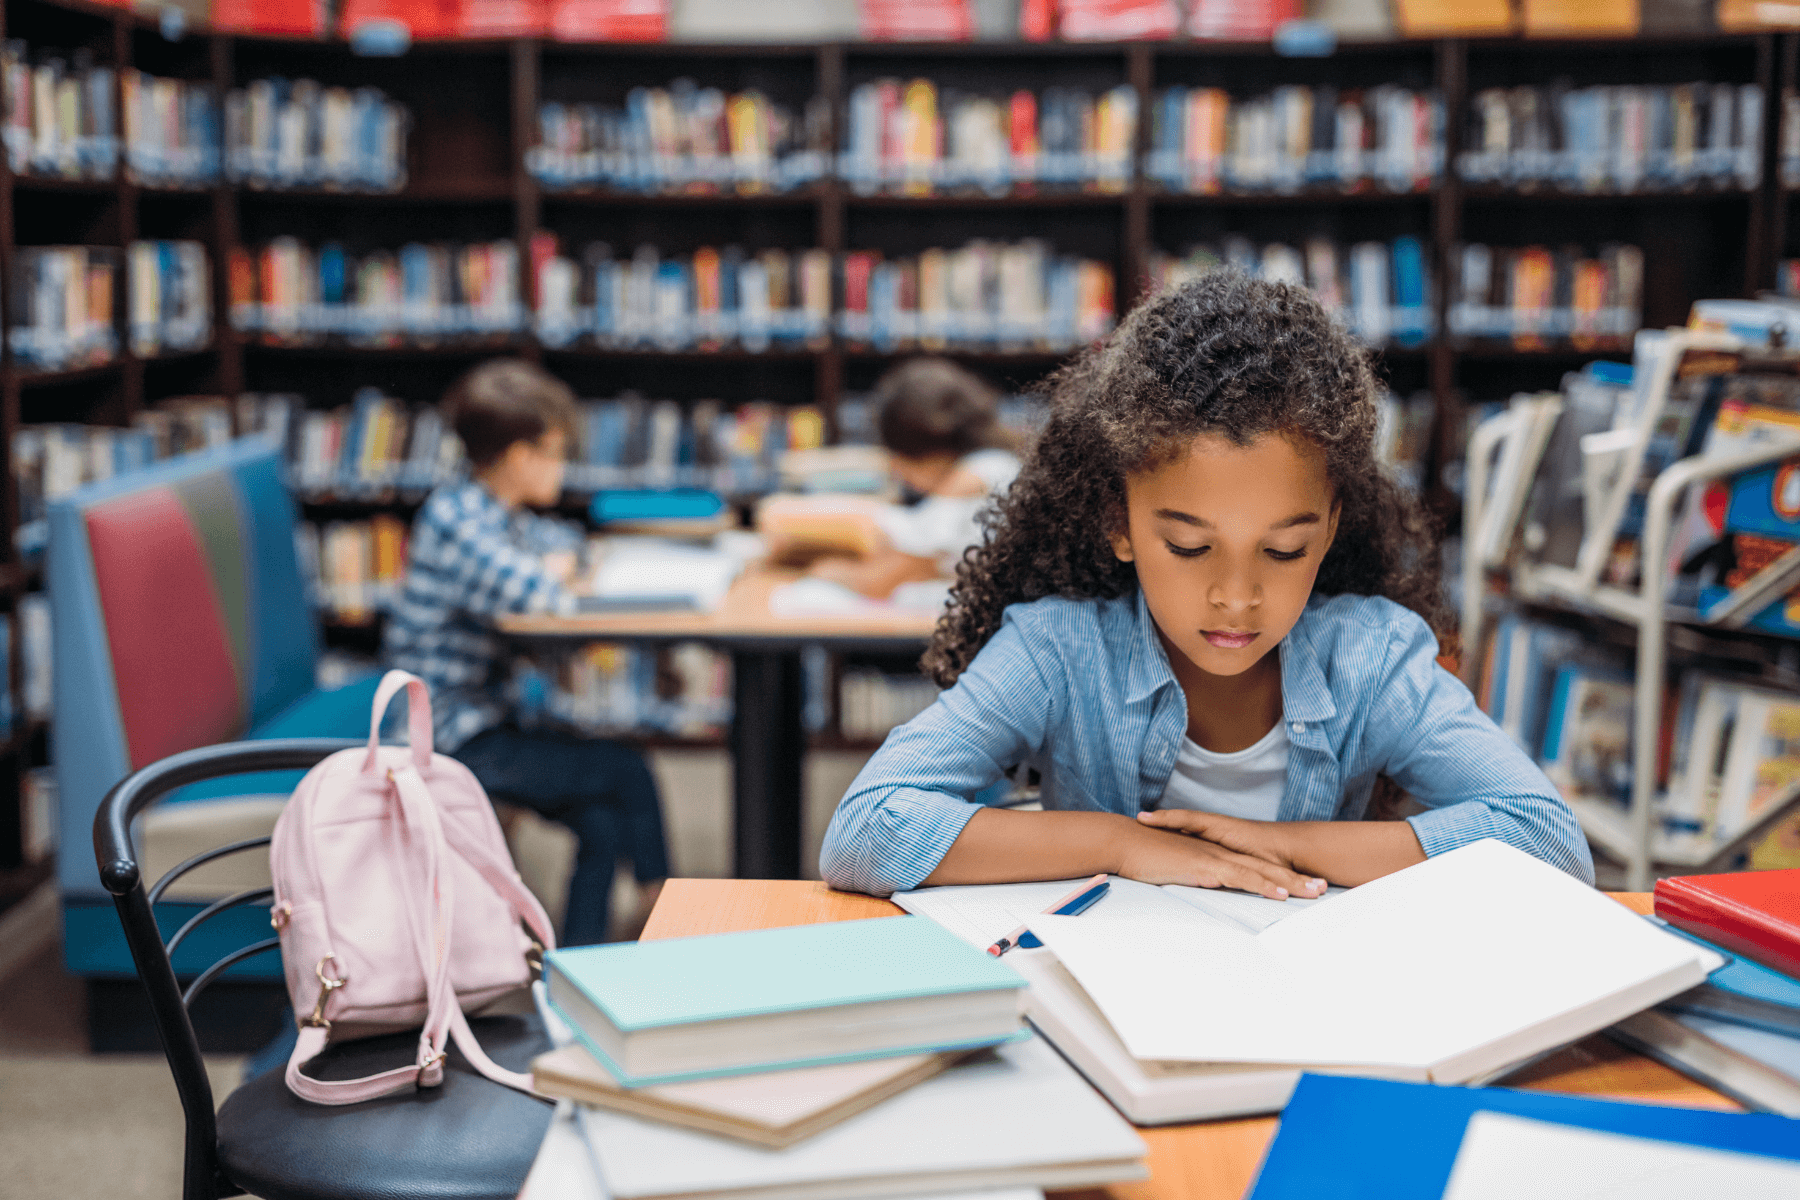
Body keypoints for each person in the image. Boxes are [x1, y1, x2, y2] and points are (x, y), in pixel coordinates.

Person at [819, 272, 1593, 899]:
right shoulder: (1058, 649)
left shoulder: (1373, 658)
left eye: (1283, 550)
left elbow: (1549, 841)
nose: (1237, 596)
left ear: (1330, 528)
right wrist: (1121, 843)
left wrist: (1282, 846)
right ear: (1120, 522)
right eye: (1190, 547)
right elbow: (865, 830)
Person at [383, 359, 670, 945]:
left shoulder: (497, 513)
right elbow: (542, 597)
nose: (563, 468)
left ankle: (582, 960)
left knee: (602, 819)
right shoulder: (455, 520)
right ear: (519, 456)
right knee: (628, 769)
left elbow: (570, 548)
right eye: (556, 453)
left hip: (493, 718)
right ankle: (664, 915)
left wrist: (562, 564)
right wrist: (557, 570)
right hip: (449, 735)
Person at [792, 357, 1023, 599]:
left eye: (900, 457)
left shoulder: (977, 475)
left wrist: (833, 571)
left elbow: (883, 581)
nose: (897, 470)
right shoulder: (1000, 464)